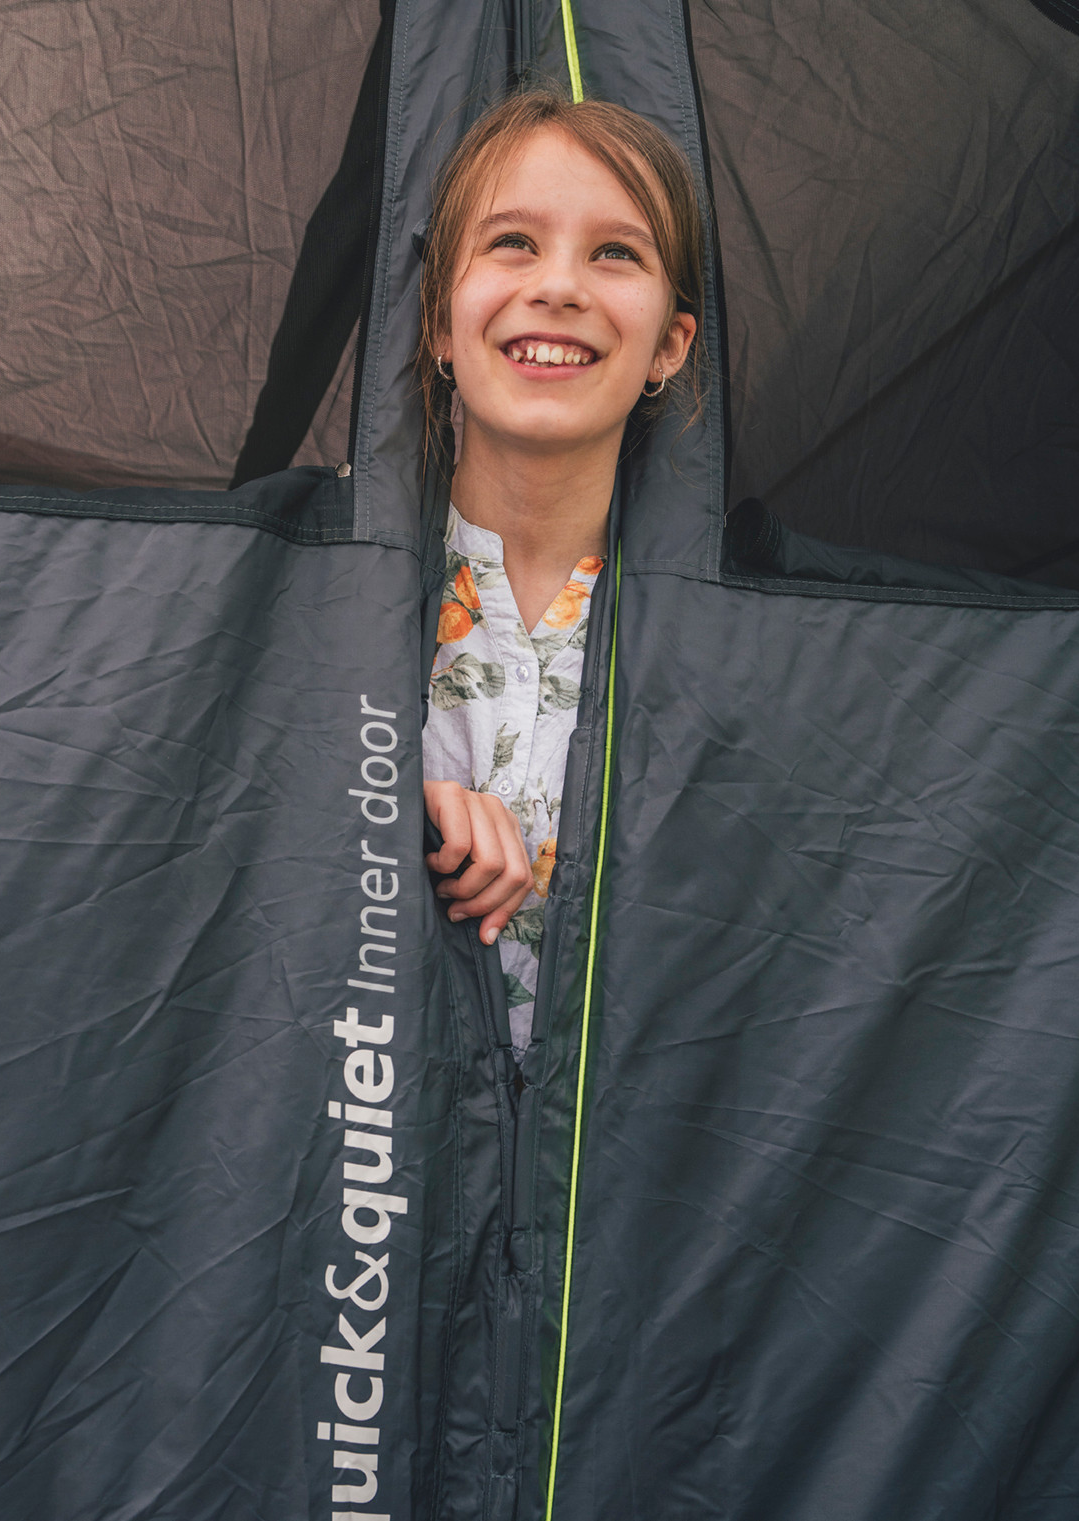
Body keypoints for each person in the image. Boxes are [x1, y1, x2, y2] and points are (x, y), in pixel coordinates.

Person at [418, 88, 703, 1052]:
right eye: (512, 242)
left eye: (615, 253)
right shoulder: (321, 595)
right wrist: (379, 810)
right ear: (439, 320)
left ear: (668, 343)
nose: (559, 286)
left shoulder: (736, 641)